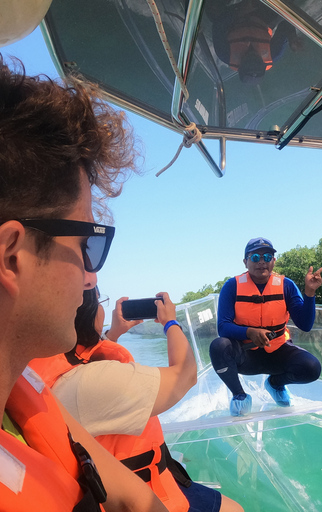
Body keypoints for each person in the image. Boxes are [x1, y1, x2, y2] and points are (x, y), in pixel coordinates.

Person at [0, 55, 166, 510]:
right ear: (13, 256)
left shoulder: (21, 389)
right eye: (91, 243)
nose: (93, 276)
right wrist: (170, 326)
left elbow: (137, 501)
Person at [29, 288, 244, 512]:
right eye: (100, 301)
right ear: (83, 313)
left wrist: (112, 333)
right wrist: (170, 322)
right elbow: (185, 375)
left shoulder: (51, 373)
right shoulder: (91, 383)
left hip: (154, 477)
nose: (103, 308)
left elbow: (82, 364)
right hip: (148, 491)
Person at [209, 237, 322, 414]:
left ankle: (275, 384)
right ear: (245, 262)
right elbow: (223, 327)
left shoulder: (287, 286)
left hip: (278, 352)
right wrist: (249, 332)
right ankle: (239, 395)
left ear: (274, 261)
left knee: (311, 368)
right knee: (218, 346)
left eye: (267, 257)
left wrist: (309, 293)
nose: (262, 262)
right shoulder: (231, 286)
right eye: (255, 257)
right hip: (246, 356)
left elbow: (305, 324)